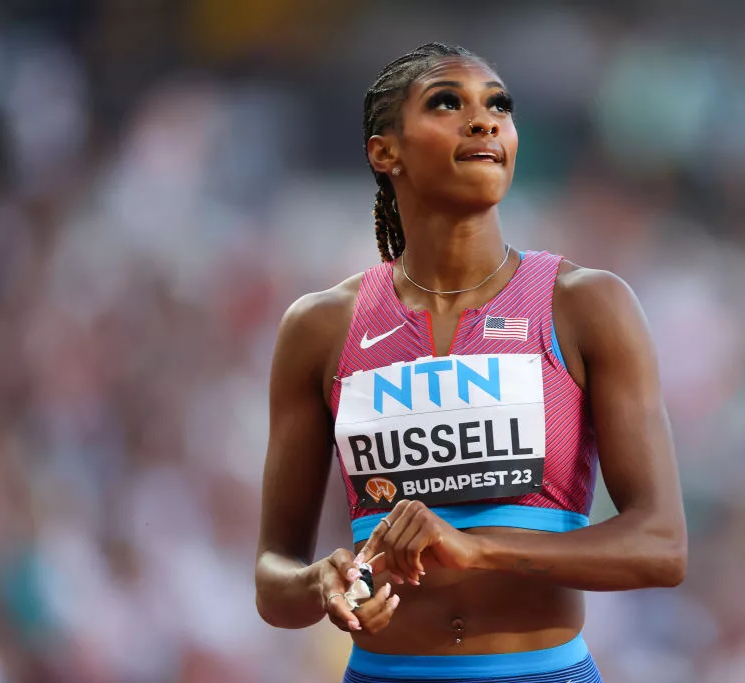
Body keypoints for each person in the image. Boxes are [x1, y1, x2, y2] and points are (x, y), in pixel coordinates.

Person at [255, 42, 687, 683]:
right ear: (385, 151)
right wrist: (322, 582)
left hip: (543, 672)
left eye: (498, 107)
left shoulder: (586, 305)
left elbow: (662, 546)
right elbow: (273, 577)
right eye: (447, 104)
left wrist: (478, 549)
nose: (484, 121)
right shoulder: (322, 327)